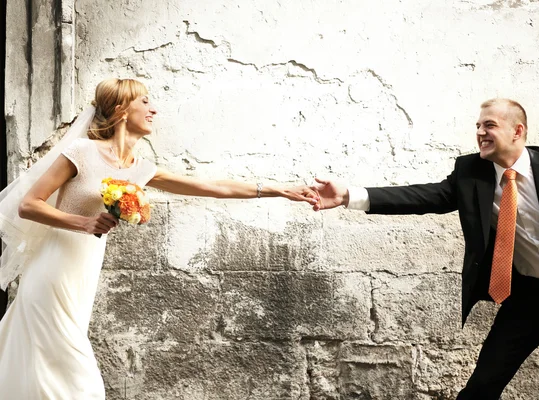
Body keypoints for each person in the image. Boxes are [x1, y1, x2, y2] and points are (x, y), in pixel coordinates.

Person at [0, 78, 319, 399]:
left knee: (44, 366)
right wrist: (83, 222)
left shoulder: (140, 169)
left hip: (83, 275)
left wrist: (278, 190)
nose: (154, 109)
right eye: (145, 102)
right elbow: (29, 205)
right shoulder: (82, 152)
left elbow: (214, 187)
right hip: (53, 270)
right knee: (78, 378)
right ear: (121, 110)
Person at [311, 98, 539, 399]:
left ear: (517, 131)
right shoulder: (471, 171)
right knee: (482, 386)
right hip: (528, 298)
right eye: (477, 126)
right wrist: (348, 196)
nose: (480, 132)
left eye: (489, 125)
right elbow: (424, 197)